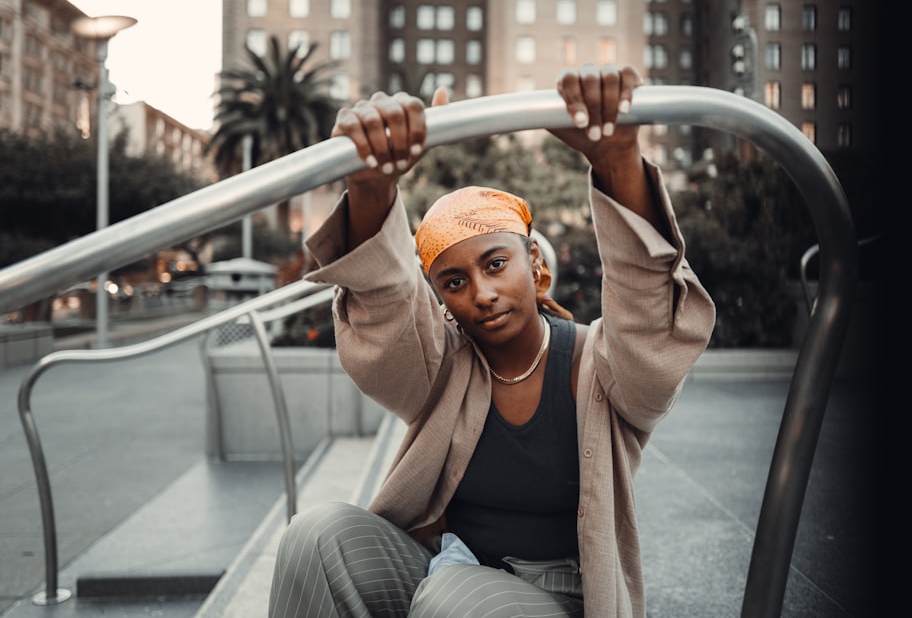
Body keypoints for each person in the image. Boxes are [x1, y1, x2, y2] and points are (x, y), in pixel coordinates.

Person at [268, 63, 716, 617]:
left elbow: (648, 327)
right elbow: (387, 315)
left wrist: (616, 160)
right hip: (446, 572)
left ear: (535, 265)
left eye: (496, 264)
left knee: (455, 597)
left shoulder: (598, 366)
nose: (481, 293)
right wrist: (371, 186)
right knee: (315, 534)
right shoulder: (443, 370)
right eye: (453, 282)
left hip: (562, 598)